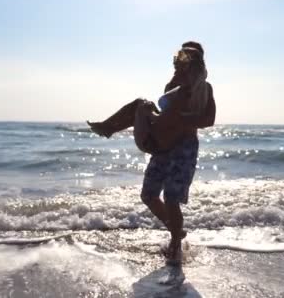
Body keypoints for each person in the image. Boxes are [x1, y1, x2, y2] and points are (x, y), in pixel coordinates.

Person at [87, 41, 216, 261]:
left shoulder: (203, 87)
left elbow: (209, 119)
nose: (179, 60)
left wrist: (180, 119)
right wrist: (153, 116)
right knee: (148, 195)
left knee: (172, 198)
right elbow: (165, 114)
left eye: (186, 57)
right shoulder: (171, 84)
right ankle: (109, 127)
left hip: (183, 147)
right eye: (178, 56)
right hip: (163, 144)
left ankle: (175, 244)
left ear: (196, 63)